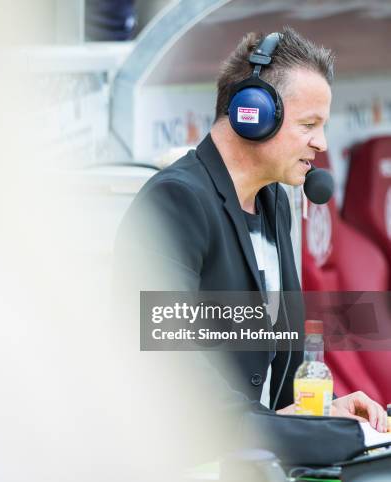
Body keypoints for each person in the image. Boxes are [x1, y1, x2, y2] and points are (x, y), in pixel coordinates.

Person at [113, 27, 386, 465]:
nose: (322, 143)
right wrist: (318, 436)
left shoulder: (273, 201)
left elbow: (274, 355)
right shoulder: (175, 201)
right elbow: (175, 375)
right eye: (309, 125)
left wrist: (322, 410)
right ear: (252, 113)